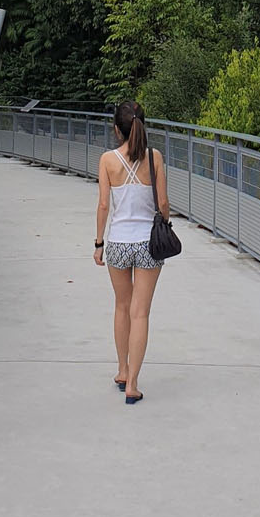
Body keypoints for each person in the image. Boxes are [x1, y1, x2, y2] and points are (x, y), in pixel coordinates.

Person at [94, 100, 171, 404]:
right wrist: (165, 223)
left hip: (118, 243)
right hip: (149, 244)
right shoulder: (155, 158)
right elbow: (163, 204)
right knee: (141, 312)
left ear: (117, 129)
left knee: (121, 307)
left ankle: (122, 370)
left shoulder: (107, 160)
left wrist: (99, 243)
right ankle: (133, 385)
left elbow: (103, 205)